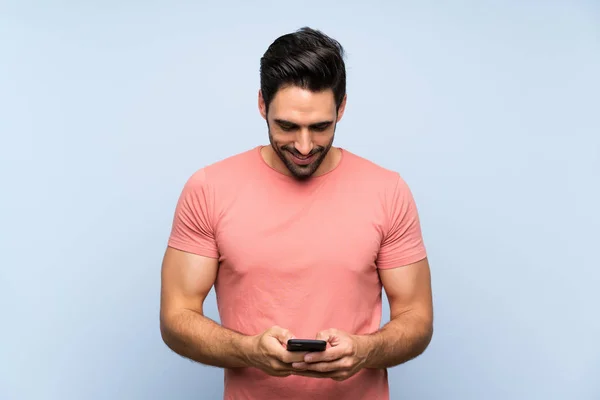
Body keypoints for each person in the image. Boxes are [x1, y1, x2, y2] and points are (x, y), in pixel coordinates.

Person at [159, 26, 433, 400]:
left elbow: (417, 318)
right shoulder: (208, 189)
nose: (304, 146)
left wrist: (366, 351)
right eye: (287, 126)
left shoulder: (388, 191)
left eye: (320, 127)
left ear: (342, 107)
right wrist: (247, 350)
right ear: (261, 105)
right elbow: (176, 317)